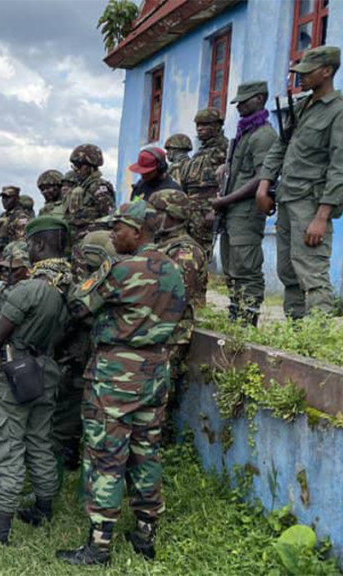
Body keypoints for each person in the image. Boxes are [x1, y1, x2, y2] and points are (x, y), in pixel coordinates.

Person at [57, 201, 185, 565]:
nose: (114, 235)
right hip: (156, 369)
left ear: (139, 231)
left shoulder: (122, 269)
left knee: (105, 457)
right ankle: (145, 533)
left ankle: (99, 545)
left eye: (119, 229)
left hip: (116, 374)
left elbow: (79, 304)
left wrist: (98, 274)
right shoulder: (172, 269)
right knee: (146, 451)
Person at [0, 216, 73, 544]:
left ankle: (0, 527)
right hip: (48, 370)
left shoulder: (30, 288)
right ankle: (43, 508)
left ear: (40, 245)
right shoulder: (72, 285)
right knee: (39, 440)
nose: (27, 250)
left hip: (15, 373)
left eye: (30, 244)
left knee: (7, 443)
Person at [258, 45, 343, 319]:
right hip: (287, 199)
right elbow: (281, 145)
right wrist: (264, 184)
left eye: (307, 72)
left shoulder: (341, 112)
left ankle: (317, 341)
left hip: (311, 205)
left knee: (312, 273)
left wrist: (322, 216)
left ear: (326, 71)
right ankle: (296, 332)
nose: (300, 77)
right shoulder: (302, 107)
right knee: (288, 272)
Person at [212, 81, 277, 325]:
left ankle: (247, 321)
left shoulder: (263, 135)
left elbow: (263, 176)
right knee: (231, 269)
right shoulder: (245, 134)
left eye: (244, 100)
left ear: (260, 99)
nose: (238, 105)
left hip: (247, 213)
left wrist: (225, 200)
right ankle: (235, 316)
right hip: (231, 212)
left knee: (246, 270)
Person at [52, 230, 115, 471]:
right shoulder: (117, 278)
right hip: (96, 363)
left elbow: (78, 310)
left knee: (66, 422)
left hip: (84, 360)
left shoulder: (102, 281)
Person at [148, 189, 207, 441]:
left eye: (155, 213)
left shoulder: (184, 251)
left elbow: (176, 296)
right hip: (155, 329)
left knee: (158, 396)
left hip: (171, 333)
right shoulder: (159, 245)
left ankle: (158, 447)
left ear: (172, 216)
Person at [181, 107, 229, 252]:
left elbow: (228, 184)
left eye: (205, 125)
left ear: (217, 126)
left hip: (209, 211)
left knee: (206, 254)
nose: (200, 129)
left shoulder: (225, 149)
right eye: (198, 125)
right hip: (193, 213)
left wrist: (216, 210)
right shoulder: (200, 151)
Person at [64, 144, 116, 242]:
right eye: (74, 166)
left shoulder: (98, 187)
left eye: (79, 166)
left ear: (91, 167)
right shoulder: (81, 187)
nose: (76, 170)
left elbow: (109, 218)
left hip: (93, 242)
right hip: (78, 241)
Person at [0, 186, 32, 258]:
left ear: (17, 199)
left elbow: (22, 244)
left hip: (9, 260)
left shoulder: (21, 217)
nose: (4, 200)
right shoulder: (2, 216)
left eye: (8, 197)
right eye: (3, 198)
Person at [0, 241, 30, 318]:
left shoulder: (33, 292)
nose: (6, 273)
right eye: (4, 268)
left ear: (28, 269)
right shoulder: (5, 287)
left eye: (14, 269)